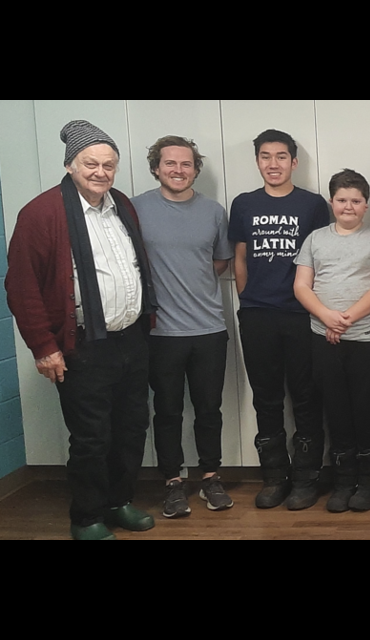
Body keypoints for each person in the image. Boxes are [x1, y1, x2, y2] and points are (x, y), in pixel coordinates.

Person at [5, 120, 157, 540]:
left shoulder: (121, 204)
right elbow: (21, 286)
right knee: (92, 436)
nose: (100, 172)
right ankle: (87, 516)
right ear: (70, 165)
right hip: (82, 346)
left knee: (130, 427)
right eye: (91, 163)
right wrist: (43, 347)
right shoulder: (42, 213)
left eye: (109, 164)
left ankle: (118, 500)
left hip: (130, 338)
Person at [133, 136, 234, 519]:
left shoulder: (213, 211)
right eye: (170, 163)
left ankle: (211, 476)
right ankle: (172, 482)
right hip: (159, 334)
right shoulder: (136, 208)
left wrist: (190, 284)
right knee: (168, 410)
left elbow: (220, 262)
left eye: (186, 164)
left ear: (196, 169)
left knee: (210, 409)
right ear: (156, 167)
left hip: (209, 329)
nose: (178, 170)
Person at [229, 129, 329, 510]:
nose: (274, 164)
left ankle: (306, 478)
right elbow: (239, 257)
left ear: (294, 162)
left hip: (302, 314)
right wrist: (247, 298)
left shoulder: (313, 204)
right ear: (257, 161)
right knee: (266, 398)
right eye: (266, 157)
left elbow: (324, 255)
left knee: (306, 396)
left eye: (281, 157)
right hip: (257, 315)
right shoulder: (244, 204)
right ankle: (274, 477)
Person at [295, 170, 370, 513]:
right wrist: (327, 317)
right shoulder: (315, 239)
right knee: (335, 409)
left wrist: (346, 318)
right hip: (323, 337)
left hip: (366, 338)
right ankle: (342, 480)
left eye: (355, 201)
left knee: (364, 408)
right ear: (331, 203)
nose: (348, 207)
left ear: (365, 205)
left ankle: (369, 481)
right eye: (341, 200)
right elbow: (301, 286)